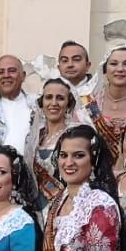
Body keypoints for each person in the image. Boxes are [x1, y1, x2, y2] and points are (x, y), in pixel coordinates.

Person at [0, 55, 43, 156]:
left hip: (29, 168)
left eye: (12, 71)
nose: (6, 75)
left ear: (23, 76)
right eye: (0, 72)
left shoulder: (38, 104)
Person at [31, 78, 76, 206]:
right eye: (49, 97)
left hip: (65, 206)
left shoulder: (74, 135)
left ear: (68, 103)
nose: (54, 103)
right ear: (42, 102)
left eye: (60, 98)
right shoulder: (35, 136)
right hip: (37, 207)